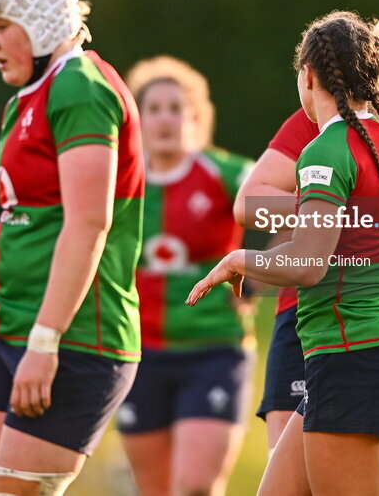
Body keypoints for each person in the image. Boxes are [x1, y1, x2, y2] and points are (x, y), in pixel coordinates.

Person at [190, 11, 379, 496]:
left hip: (353, 357)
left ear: (309, 75)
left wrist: (239, 261)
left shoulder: (326, 148)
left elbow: (306, 265)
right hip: (377, 353)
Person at [0, 0, 144, 496]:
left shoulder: (79, 87)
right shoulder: (25, 97)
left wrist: (44, 344)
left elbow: (89, 223)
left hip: (71, 340)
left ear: (43, 21)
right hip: (7, 332)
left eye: (1, 25)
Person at [113, 56, 254, 496]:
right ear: (137, 118)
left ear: (195, 117)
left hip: (212, 349)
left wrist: (262, 275)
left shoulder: (227, 174)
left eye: (177, 108)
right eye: (153, 109)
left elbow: (297, 207)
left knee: (194, 487)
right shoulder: (117, 181)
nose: (165, 119)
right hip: (139, 353)